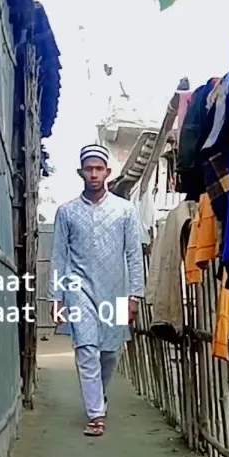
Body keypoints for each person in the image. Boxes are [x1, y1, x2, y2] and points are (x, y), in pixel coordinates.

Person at [48, 144, 145, 437]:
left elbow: (133, 254)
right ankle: (95, 415)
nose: (93, 174)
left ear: (107, 173)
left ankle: (99, 399)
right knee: (87, 349)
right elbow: (58, 257)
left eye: (98, 169)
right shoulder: (66, 213)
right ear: (80, 172)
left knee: (109, 353)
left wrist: (134, 296)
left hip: (115, 291)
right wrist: (56, 297)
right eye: (88, 169)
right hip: (79, 290)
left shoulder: (125, 211)